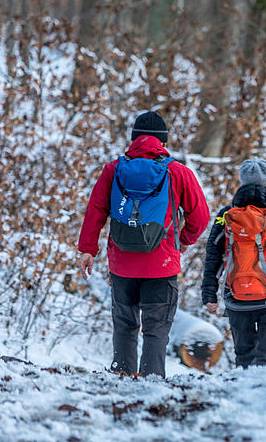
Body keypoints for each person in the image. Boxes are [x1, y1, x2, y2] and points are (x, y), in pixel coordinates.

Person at [77, 111, 210, 378]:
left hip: (122, 263)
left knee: (125, 325)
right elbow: (201, 216)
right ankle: (151, 382)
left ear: (134, 139)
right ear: (163, 141)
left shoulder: (114, 170)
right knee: (156, 329)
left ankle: (122, 376)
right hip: (161, 264)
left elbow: (96, 210)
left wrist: (88, 249)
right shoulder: (177, 172)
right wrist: (183, 241)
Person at [201, 158, 266, 368]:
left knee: (244, 357)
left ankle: (242, 394)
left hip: (236, 297)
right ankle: (262, 397)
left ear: (242, 181)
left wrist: (209, 293)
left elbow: (213, 256)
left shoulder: (225, 216)